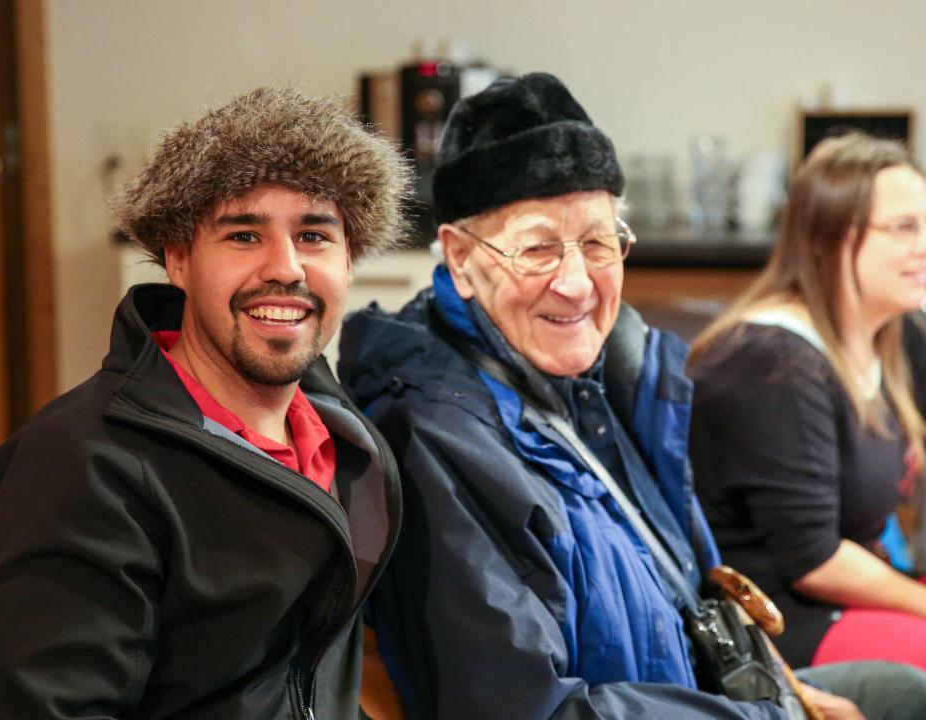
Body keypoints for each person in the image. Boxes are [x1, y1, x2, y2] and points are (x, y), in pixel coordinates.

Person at [338, 74, 926, 720]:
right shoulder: (434, 440)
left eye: (597, 243)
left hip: (711, 692)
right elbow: (532, 710)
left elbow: (696, 592)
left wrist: (787, 692)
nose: (576, 283)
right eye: (536, 248)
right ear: (459, 258)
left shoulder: (605, 379)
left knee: (904, 692)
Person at [0, 85, 409, 718]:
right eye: (244, 236)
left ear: (349, 259)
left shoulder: (342, 438)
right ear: (178, 259)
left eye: (314, 236)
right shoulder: (81, 468)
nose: (286, 268)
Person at [689, 132, 926, 672]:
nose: (924, 246)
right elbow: (812, 561)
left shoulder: (891, 334)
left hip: (846, 594)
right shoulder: (772, 361)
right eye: (905, 228)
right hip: (777, 624)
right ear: (831, 237)